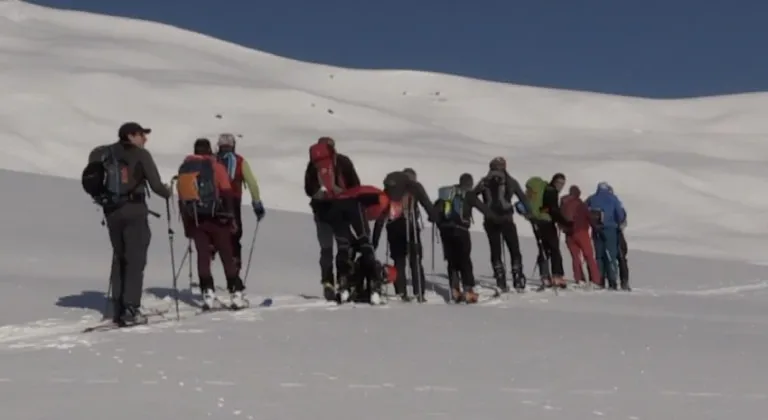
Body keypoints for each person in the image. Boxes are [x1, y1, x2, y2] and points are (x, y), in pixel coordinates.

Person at [83, 122, 172, 326]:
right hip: (134, 211)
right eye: (142, 135)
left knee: (119, 257)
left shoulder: (104, 153)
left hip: (112, 211)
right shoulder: (141, 155)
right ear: (130, 136)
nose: (145, 139)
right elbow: (156, 185)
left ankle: (118, 307)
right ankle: (131, 309)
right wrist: (168, 192)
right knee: (135, 260)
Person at [177, 138, 248, 310]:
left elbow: (181, 199)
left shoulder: (185, 168)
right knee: (226, 252)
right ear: (209, 150)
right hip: (218, 218)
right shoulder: (216, 166)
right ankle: (236, 293)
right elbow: (226, 191)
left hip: (195, 219)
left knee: (203, 255)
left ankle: (207, 293)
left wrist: (187, 225)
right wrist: (231, 217)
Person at [304, 137, 360, 300]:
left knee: (326, 249)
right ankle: (343, 279)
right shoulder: (343, 161)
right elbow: (356, 185)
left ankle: (327, 282)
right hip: (341, 211)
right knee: (344, 246)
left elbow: (308, 188)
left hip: (321, 212)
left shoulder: (313, 164)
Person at [371, 168, 437, 302]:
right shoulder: (415, 188)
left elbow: (381, 216)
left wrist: (374, 241)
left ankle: (401, 292)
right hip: (411, 227)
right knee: (416, 259)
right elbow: (427, 204)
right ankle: (419, 292)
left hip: (393, 228)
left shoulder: (389, 190)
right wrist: (434, 217)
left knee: (399, 261)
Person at [434, 173, 499, 303]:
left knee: (452, 261)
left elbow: (434, 211)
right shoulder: (469, 195)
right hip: (461, 230)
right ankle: (468, 290)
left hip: (445, 231)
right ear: (469, 183)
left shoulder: (448, 194)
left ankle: (455, 289)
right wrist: (497, 219)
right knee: (464, 260)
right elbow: (484, 209)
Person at [472, 157, 532, 292]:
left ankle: (500, 278)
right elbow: (524, 199)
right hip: (507, 219)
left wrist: (484, 209)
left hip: (490, 220)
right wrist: (530, 213)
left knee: (495, 249)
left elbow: (472, 196)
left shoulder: (484, 181)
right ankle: (517, 277)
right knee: (514, 248)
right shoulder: (511, 181)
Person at [215, 133, 266, 272]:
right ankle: (235, 270)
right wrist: (257, 204)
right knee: (234, 235)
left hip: (213, 201)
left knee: (213, 234)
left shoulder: (212, 160)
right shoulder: (240, 161)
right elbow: (252, 184)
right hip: (233, 201)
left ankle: (206, 272)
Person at [520, 176, 571, 290]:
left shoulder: (544, 190)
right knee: (554, 249)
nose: (560, 185)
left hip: (536, 221)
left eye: (563, 183)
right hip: (546, 222)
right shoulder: (551, 191)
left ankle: (544, 276)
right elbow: (552, 209)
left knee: (543, 248)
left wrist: (542, 212)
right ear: (554, 181)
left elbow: (545, 207)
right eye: (559, 182)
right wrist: (564, 222)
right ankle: (557, 275)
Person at [586, 182, 628, 290]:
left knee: (599, 256)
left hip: (596, 230)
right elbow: (620, 215)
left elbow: (585, 210)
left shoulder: (592, 198)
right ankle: (612, 280)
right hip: (610, 229)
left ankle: (599, 279)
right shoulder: (613, 199)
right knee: (610, 255)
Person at [560, 185, 601, 287]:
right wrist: (596, 227)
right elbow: (589, 217)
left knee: (575, 257)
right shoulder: (581, 204)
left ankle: (579, 278)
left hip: (569, 234)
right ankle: (595, 280)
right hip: (582, 232)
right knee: (589, 256)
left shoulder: (564, 203)